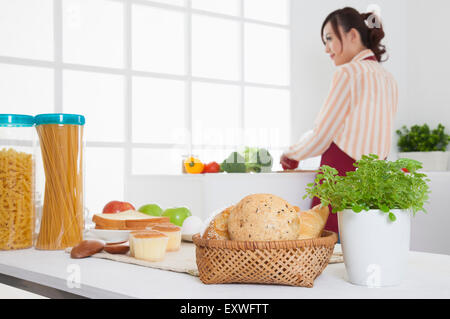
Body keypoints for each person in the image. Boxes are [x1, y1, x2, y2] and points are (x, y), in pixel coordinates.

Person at [280, 7, 399, 235]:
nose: (326, 49)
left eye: (329, 39)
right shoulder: (388, 79)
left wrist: (292, 155)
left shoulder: (348, 73)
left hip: (340, 175)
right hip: (375, 179)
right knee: (362, 243)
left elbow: (322, 134)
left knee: (325, 245)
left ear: (352, 35)